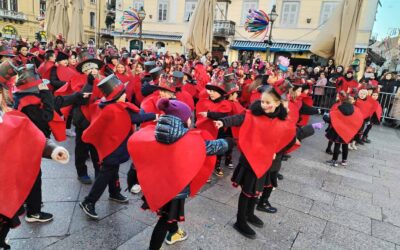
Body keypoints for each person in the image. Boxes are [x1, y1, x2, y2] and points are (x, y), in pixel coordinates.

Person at [128, 98, 232, 250]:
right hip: (175, 189)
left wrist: (133, 178)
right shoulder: (190, 140)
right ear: (184, 120)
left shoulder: (153, 133)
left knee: (169, 214)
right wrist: (229, 142)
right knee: (165, 219)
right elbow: (212, 147)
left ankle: (175, 232)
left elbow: (139, 156)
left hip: (157, 184)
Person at [215, 88, 296, 239]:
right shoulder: (252, 114)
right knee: (247, 191)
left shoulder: (282, 121)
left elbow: (288, 139)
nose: (264, 105)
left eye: (268, 102)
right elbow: (239, 119)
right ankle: (240, 220)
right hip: (250, 160)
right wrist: (223, 121)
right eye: (262, 101)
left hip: (266, 162)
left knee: (256, 190)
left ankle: (250, 214)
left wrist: (277, 153)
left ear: (278, 103)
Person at [0, 83, 70, 249]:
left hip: (6, 186)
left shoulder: (10, 117)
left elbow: (31, 136)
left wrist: (53, 149)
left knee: (4, 222)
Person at [80, 74, 156, 219]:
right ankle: (88, 202)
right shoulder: (115, 108)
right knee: (105, 174)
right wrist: (155, 116)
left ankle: (114, 192)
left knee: (113, 170)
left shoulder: (109, 105)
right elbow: (137, 117)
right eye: (123, 94)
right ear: (117, 96)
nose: (125, 95)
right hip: (112, 147)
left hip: (112, 145)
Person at [196, 75, 232, 177]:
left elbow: (222, 115)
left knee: (218, 149)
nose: (210, 93)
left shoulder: (225, 103)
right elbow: (198, 113)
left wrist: (209, 114)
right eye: (210, 91)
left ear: (220, 93)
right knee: (205, 148)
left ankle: (217, 166)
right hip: (206, 129)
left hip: (219, 130)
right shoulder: (205, 101)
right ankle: (203, 168)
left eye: (213, 91)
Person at [324, 96, 364, 166]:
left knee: (337, 145)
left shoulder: (339, 109)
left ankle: (334, 160)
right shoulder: (356, 110)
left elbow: (332, 119)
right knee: (345, 146)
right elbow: (359, 120)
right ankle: (344, 161)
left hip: (338, 131)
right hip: (348, 132)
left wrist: (325, 118)